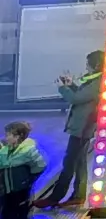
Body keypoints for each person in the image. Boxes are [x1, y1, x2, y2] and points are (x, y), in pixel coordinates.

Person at [34, 50, 102, 209]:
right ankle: (78, 195)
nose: (86, 67)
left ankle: (55, 197)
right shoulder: (95, 81)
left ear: (96, 65)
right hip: (83, 126)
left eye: (88, 64)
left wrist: (63, 88)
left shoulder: (98, 82)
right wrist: (71, 84)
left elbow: (76, 98)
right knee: (79, 162)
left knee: (69, 163)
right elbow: (83, 94)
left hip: (83, 128)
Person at [0, 121, 45, 219]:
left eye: (9, 135)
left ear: (18, 136)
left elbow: (40, 165)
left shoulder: (28, 151)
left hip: (22, 192)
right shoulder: (4, 151)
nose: (6, 137)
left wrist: (29, 180)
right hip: (8, 192)